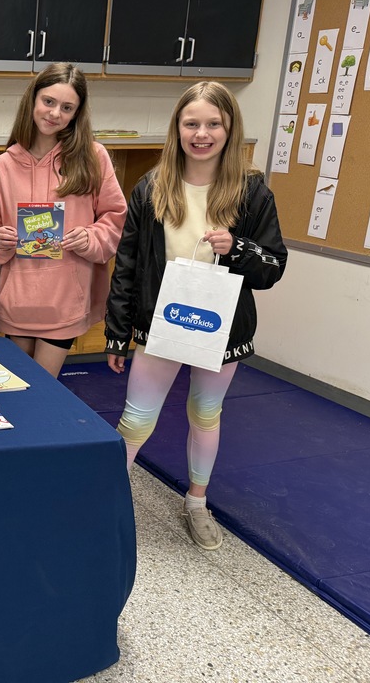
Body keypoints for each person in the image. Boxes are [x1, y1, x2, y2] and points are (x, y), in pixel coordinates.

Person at [104, 81, 288, 551]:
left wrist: (239, 248)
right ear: (177, 128)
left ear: (229, 129)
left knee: (206, 414)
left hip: (221, 330)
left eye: (213, 124)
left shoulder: (251, 192)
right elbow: (126, 264)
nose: (201, 133)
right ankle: (104, 502)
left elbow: (273, 266)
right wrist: (116, 333)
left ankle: (196, 503)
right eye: (192, 123)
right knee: (136, 419)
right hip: (160, 326)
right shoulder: (152, 186)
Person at [0, 62, 127, 377]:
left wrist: (92, 238)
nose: (55, 113)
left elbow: (115, 218)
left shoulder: (92, 157)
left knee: (43, 389)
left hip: (64, 300)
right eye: (49, 101)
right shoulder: (2, 166)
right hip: (17, 298)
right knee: (18, 392)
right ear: (32, 100)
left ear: (76, 113)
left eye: (67, 107)